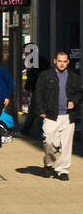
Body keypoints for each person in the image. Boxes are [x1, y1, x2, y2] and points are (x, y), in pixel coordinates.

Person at [34, 51, 82, 181]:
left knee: (66, 145)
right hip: (50, 115)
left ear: (68, 62)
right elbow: (38, 94)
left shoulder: (74, 77)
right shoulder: (45, 75)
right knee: (49, 141)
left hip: (68, 116)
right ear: (55, 61)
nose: (62, 64)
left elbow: (79, 93)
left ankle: (63, 170)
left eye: (64, 61)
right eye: (59, 61)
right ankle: (49, 163)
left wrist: (74, 102)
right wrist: (41, 111)